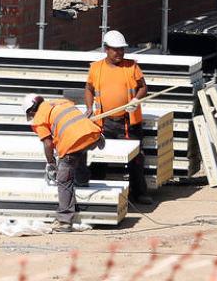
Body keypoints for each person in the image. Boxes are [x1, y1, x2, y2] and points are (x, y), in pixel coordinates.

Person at [86, 29, 153, 205]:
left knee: (136, 159)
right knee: (100, 159)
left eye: (122, 49)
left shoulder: (131, 66)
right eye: (116, 49)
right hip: (105, 122)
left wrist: (136, 100)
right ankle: (96, 193)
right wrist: (88, 108)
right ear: (106, 49)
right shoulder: (96, 68)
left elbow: (143, 87)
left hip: (127, 122)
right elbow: (89, 89)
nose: (120, 53)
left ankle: (139, 193)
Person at [22, 93, 101, 231]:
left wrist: (51, 164)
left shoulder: (39, 118)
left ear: (32, 110)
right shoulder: (61, 102)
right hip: (92, 133)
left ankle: (64, 221)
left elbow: (47, 143)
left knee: (63, 178)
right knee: (80, 150)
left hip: (73, 141)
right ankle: (82, 180)